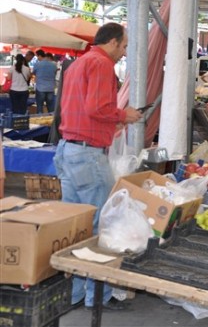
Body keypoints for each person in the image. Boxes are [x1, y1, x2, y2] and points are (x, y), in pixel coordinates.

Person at [54, 23, 143, 310]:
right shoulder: (103, 65)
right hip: (89, 156)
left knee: (77, 227)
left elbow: (83, 110)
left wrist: (109, 122)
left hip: (68, 149)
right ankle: (97, 296)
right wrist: (123, 115)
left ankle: (77, 292)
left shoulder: (78, 64)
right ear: (114, 42)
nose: (124, 52)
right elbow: (98, 107)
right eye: (125, 46)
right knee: (101, 226)